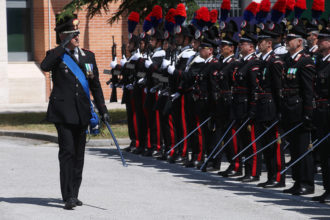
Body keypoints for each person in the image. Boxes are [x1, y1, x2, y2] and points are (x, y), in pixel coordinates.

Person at [40, 16, 109, 210]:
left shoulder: (88, 56)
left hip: (82, 112)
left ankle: (75, 193)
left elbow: (95, 86)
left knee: (79, 155)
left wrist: (103, 110)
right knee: (67, 152)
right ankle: (68, 194)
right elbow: (44, 66)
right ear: (63, 36)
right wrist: (62, 46)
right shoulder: (56, 55)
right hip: (63, 113)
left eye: (77, 34)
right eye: (73, 34)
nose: (77, 37)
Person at [282, 21, 315, 195]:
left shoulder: (305, 61)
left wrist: (308, 112)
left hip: (300, 109)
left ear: (299, 42)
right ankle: (296, 180)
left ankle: (307, 183)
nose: (287, 41)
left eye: (291, 39)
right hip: (289, 109)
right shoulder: (288, 60)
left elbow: (308, 90)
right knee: (293, 148)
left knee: (303, 148)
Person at [311, 23, 330, 203]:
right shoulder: (319, 61)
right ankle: (327, 188)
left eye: (324, 39)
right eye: (321, 39)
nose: (321, 41)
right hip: (321, 111)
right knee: (323, 152)